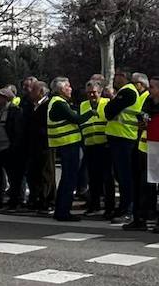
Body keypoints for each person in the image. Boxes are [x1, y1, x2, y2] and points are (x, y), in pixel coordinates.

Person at [127, 77, 159, 233]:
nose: (149, 89)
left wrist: (148, 124)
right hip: (144, 150)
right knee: (142, 187)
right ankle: (140, 219)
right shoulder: (148, 104)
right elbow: (143, 122)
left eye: (153, 87)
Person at [46, 77, 95, 222]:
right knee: (69, 179)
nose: (71, 89)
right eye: (68, 86)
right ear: (61, 89)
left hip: (67, 144)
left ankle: (61, 210)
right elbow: (76, 119)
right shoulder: (59, 103)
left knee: (68, 179)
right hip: (69, 144)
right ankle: (63, 211)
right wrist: (91, 112)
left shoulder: (57, 102)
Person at [104, 70, 149, 221]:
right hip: (121, 137)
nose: (114, 79)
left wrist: (111, 103)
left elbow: (109, 112)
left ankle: (127, 209)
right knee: (122, 175)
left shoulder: (127, 92)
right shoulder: (125, 92)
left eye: (117, 76)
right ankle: (125, 207)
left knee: (125, 177)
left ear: (124, 77)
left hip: (124, 138)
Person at [79, 79, 113, 216]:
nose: (91, 95)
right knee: (93, 178)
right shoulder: (83, 105)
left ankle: (109, 207)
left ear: (100, 92)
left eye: (94, 93)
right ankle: (94, 205)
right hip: (90, 145)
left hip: (104, 145)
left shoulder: (107, 103)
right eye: (89, 93)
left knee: (107, 177)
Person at [0, 85, 25, 210]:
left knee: (14, 177)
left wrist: (14, 147)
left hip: (8, 148)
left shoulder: (15, 111)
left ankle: (15, 201)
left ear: (6, 98)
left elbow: (18, 131)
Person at [25, 82, 55, 212]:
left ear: (42, 91)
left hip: (45, 145)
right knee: (35, 173)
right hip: (34, 145)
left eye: (34, 89)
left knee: (46, 173)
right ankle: (37, 198)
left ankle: (47, 200)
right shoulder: (33, 106)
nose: (30, 91)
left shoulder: (48, 105)